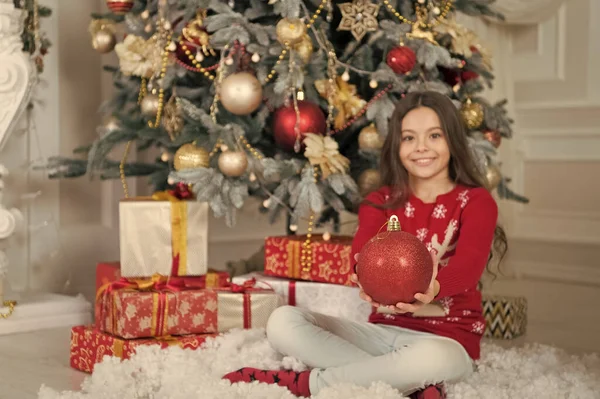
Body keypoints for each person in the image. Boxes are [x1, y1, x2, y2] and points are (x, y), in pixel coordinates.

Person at [223, 91, 507, 398]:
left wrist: (433, 288)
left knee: (438, 360)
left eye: (434, 135)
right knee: (282, 321)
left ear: (452, 140)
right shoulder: (379, 202)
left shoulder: (476, 202)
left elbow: (468, 269)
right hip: (379, 333)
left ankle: (307, 384)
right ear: (396, 145)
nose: (421, 147)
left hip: (446, 339)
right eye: (409, 138)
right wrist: (361, 270)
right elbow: (361, 254)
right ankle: (412, 385)